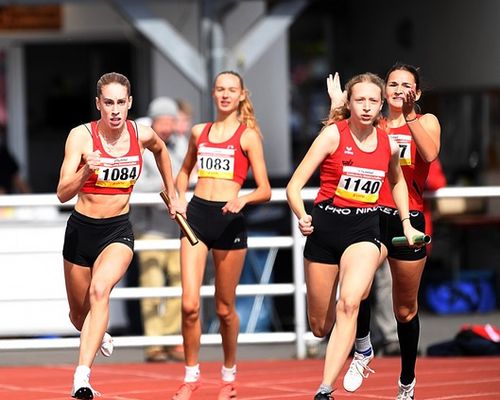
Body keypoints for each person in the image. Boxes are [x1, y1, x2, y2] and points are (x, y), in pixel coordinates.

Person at [286, 72, 424, 400]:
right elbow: (294, 186)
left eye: (372, 101)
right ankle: (353, 344)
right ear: (348, 103)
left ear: (381, 105)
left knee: (350, 303)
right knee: (320, 325)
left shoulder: (388, 143)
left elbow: (398, 182)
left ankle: (326, 387)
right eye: (359, 100)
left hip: (364, 231)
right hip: (324, 230)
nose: (366, 107)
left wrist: (405, 222)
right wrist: (302, 215)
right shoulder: (332, 136)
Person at [56, 72, 180, 399]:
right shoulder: (80, 137)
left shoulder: (141, 133)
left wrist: (173, 192)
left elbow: (161, 150)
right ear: (98, 104)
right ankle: (97, 333)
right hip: (82, 231)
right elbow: (62, 193)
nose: (114, 110)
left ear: (130, 104)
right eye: (108, 102)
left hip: (118, 231)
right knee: (78, 315)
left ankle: (81, 378)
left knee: (100, 291)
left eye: (120, 103)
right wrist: (86, 171)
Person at [332, 64, 441, 400]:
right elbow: (335, 142)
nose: (397, 90)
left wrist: (408, 117)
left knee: (405, 309)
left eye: (406, 86)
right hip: (371, 216)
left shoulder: (426, 122)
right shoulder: (371, 122)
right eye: (392, 84)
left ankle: (406, 381)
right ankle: (362, 349)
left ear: (417, 93)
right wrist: (339, 106)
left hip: (410, 222)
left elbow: (430, 154)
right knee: (357, 287)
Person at [172, 70, 271, 400]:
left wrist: (242, 198)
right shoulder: (200, 132)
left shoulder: (248, 136)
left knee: (224, 308)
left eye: (232, 90)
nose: (225, 94)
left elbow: (266, 189)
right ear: (213, 94)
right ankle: (190, 377)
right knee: (189, 305)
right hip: (197, 216)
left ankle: (228, 374)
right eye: (220, 89)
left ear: (242, 95)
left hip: (230, 222)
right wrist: (177, 197)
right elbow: (184, 170)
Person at [133, 96, 189, 362]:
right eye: (162, 120)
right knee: (152, 283)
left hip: (177, 227)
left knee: (181, 283)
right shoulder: (140, 146)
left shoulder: (182, 145)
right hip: (150, 229)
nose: (167, 126)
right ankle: (154, 343)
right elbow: (134, 184)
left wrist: (180, 186)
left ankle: (170, 337)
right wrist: (167, 188)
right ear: (153, 121)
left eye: (171, 120)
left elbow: (191, 175)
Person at [0, 125, 30, 194]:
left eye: (1, 130)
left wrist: (31, 201)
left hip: (6, 202)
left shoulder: (3, 154)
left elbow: (17, 180)